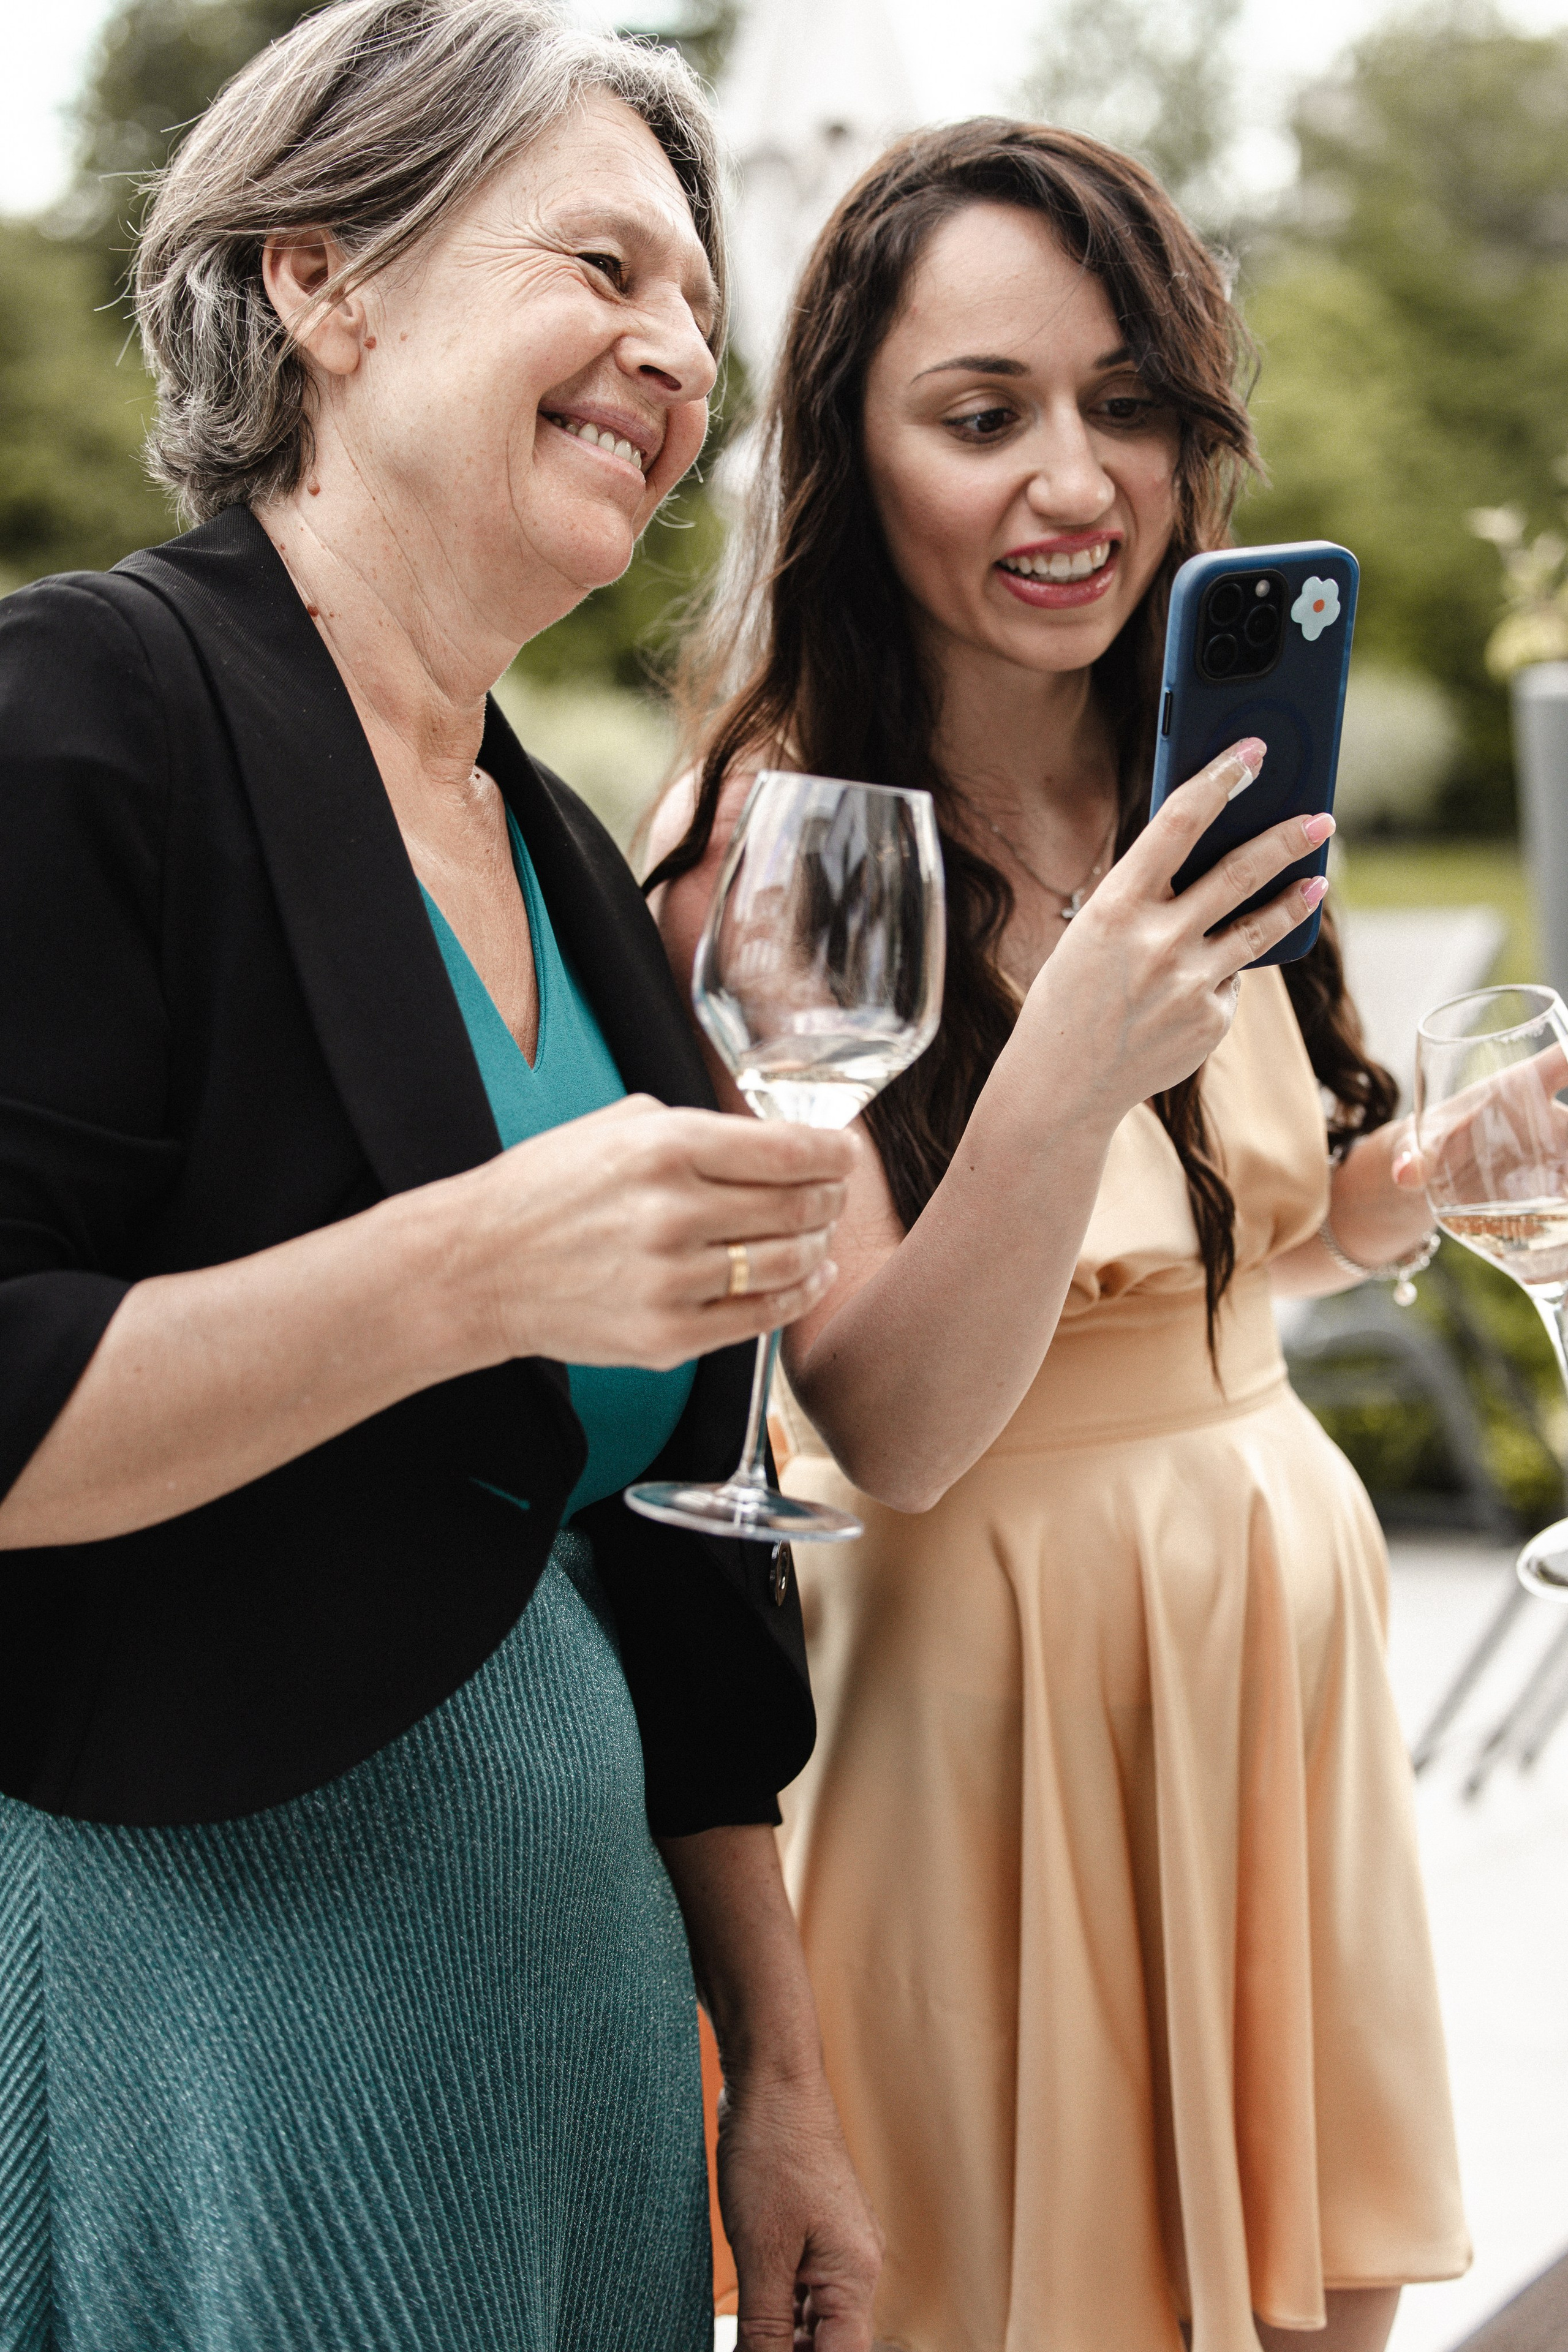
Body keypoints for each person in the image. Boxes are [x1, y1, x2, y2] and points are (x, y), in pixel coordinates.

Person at [0, 5, 885, 2346]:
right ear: (324, 277)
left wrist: (781, 2071)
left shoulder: (564, 852)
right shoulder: (80, 714)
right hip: (230, 2032)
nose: (675, 351)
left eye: (697, 305)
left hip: (584, 2047)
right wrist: (474, 1268)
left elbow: (685, 1559)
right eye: (603, 266)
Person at [651, 119, 1468, 2352]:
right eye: (981, 415)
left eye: (1125, 404)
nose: (1075, 482)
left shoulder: (1214, 782)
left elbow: (1233, 1261)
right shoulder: (780, 844)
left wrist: (1433, 1181)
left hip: (1268, 1639)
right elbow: (889, 1423)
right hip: (984, 1687)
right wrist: (1074, 1046)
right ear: (852, 452)